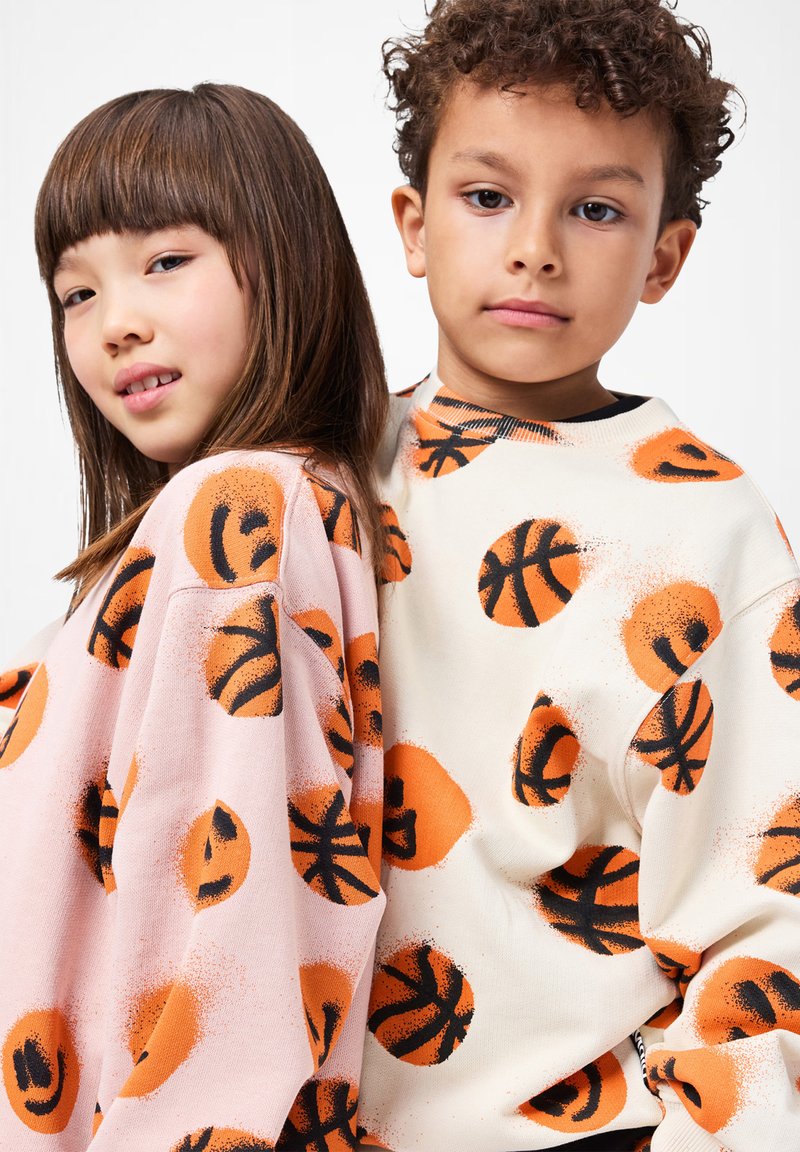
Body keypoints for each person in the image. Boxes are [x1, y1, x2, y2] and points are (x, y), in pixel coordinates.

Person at [357, 3, 800, 1151]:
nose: (533, 247)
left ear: (663, 256)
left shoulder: (706, 534)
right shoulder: (315, 474)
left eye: (594, 208)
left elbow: (765, 919)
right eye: (486, 195)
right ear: (412, 224)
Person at [0, 83, 387, 1150]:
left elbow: (229, 940)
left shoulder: (237, 515)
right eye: (76, 293)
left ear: (287, 259)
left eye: (166, 261)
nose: (115, 323)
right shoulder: (240, 521)